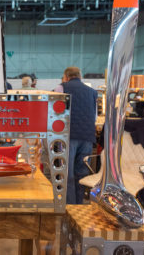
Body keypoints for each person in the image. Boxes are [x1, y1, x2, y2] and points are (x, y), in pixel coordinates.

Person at [60, 66, 98, 204]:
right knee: (81, 174)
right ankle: (79, 205)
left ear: (66, 77)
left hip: (68, 136)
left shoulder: (61, 88)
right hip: (87, 137)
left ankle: (70, 207)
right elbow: (94, 116)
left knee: (67, 174)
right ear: (80, 77)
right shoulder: (93, 92)